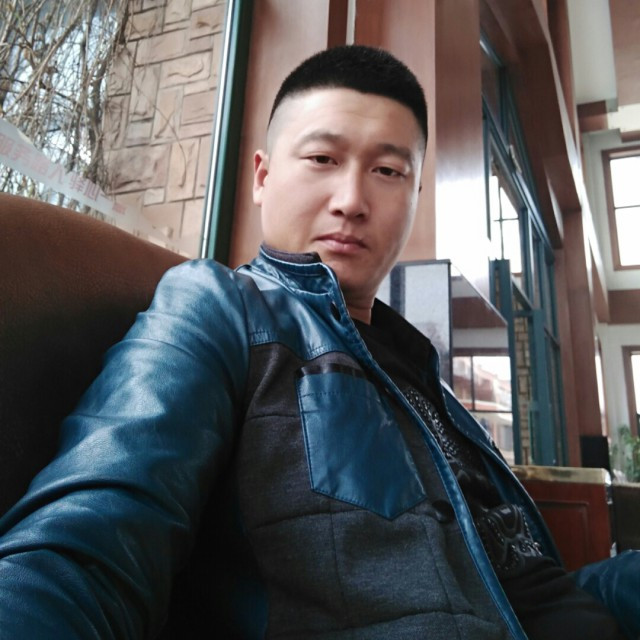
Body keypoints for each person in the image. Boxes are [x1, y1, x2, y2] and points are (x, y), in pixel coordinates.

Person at [0, 45, 637, 640]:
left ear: (415, 195)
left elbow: (517, 577)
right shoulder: (220, 307)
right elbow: (85, 547)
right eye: (322, 160)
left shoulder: (419, 367)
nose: (352, 200)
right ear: (261, 176)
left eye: (388, 171)